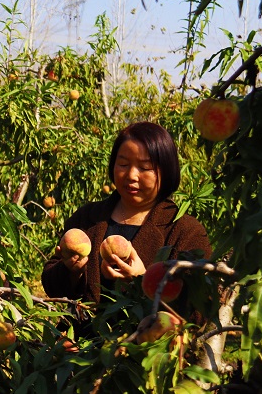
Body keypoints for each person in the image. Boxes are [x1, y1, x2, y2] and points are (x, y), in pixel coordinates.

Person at [41, 121, 212, 309]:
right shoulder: (89, 217)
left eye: (145, 167)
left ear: (167, 170)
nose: (131, 175)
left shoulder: (184, 230)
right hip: (83, 337)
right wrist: (70, 271)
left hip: (147, 337)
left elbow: (200, 308)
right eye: (123, 164)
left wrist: (143, 281)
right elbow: (52, 286)